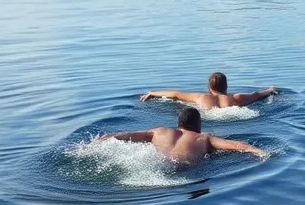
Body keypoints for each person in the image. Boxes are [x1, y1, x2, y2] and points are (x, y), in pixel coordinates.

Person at [104, 107, 269, 167]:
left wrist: (103, 138)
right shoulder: (205, 138)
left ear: (178, 123)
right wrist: (260, 152)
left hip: (151, 163)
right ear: (198, 125)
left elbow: (126, 136)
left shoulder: (158, 131)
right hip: (180, 170)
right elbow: (237, 145)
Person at [140, 72, 278, 109]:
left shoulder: (201, 98)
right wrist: (271, 89)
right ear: (226, 87)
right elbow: (258, 94)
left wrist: (153, 93)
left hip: (210, 116)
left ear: (209, 87)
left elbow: (175, 95)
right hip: (236, 114)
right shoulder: (238, 98)